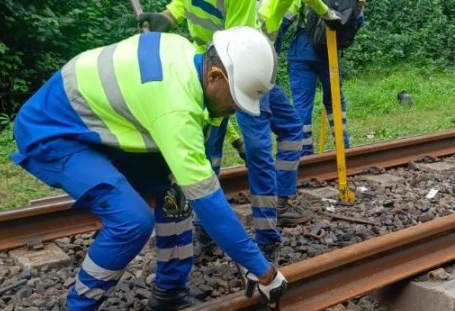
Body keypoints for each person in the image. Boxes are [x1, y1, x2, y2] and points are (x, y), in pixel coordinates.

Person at [11, 27, 287, 311]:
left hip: (100, 126)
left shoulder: (186, 57)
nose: (236, 109)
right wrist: (263, 271)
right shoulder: (176, 107)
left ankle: (169, 292)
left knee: (175, 191)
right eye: (236, 100)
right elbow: (210, 203)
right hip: (52, 132)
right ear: (214, 77)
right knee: (131, 220)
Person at [138, 0, 340, 260]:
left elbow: (236, 47)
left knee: (263, 145)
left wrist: (326, 13)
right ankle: (208, 232)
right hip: (210, 69)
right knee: (216, 155)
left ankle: (267, 234)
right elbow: (183, 4)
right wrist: (168, 16)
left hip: (241, 64)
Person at [278, 0, 364, 156]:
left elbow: (284, 21)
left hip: (303, 52)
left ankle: (305, 154)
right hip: (329, 53)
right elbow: (357, 21)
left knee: (302, 104)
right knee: (335, 100)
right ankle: (343, 146)